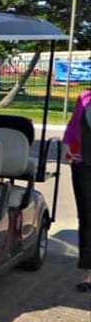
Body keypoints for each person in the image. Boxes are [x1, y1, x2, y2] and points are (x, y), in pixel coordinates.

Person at [62, 88, 91, 292]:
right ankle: (89, 272)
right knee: (87, 217)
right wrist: (66, 143)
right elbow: (74, 124)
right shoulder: (85, 97)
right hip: (82, 164)